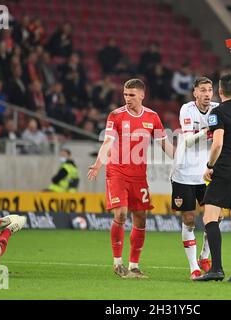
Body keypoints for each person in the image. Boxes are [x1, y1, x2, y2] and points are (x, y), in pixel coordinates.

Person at [87, 79, 175, 279]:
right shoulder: (116, 115)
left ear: (142, 95)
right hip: (117, 171)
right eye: (125, 95)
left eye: (132, 95)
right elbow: (107, 141)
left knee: (141, 218)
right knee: (120, 214)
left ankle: (134, 266)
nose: (127, 99)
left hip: (138, 175)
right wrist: (99, 164)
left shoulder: (152, 117)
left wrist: (180, 160)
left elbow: (164, 145)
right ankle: (118, 263)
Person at [194, 43, 231, 282]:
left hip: (226, 167)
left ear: (219, 92)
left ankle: (216, 268)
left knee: (210, 217)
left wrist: (209, 167)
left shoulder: (216, 114)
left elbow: (217, 143)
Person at [170, 77, 219, 280]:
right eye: (203, 90)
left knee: (216, 217)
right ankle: (193, 268)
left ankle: (205, 257)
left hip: (207, 173)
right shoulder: (187, 109)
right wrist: (209, 131)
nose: (207, 94)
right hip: (184, 172)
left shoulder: (218, 109)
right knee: (189, 219)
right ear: (195, 93)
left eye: (210, 90)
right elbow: (189, 140)